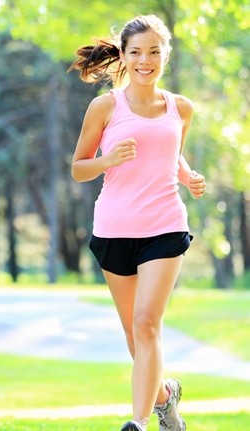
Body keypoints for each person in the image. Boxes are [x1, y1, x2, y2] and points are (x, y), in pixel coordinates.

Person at [68, 14, 207, 431]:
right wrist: (107, 160)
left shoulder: (181, 108)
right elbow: (78, 168)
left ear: (165, 54)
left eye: (154, 52)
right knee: (134, 334)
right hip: (114, 229)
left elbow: (170, 154)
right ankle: (166, 397)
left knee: (148, 323)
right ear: (125, 58)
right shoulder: (106, 107)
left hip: (164, 226)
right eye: (136, 52)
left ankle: (139, 422)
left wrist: (188, 176)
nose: (146, 60)